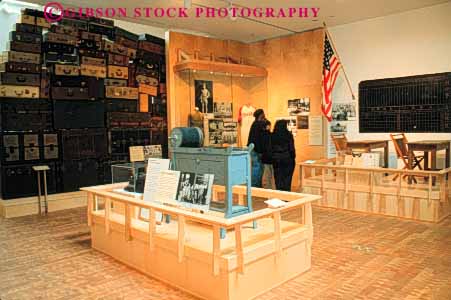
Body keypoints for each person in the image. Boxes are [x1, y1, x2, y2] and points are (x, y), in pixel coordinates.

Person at [272, 120, 296, 191]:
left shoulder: (273, 135)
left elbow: (270, 148)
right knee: (287, 180)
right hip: (288, 159)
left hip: (276, 160)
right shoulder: (288, 135)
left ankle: (280, 195)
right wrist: (293, 157)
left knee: (278, 179)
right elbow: (291, 148)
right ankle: (287, 195)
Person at [247, 109, 266, 187]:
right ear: (261, 115)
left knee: (257, 167)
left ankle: (256, 185)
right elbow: (260, 139)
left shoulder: (254, 123)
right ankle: (255, 186)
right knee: (257, 168)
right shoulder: (260, 124)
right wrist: (261, 151)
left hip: (253, 148)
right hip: (256, 149)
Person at [261, 120, 275, 189]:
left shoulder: (261, 135)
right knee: (272, 175)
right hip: (272, 157)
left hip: (265, 158)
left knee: (267, 175)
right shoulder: (271, 135)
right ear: (268, 126)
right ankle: (272, 189)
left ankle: (267, 189)